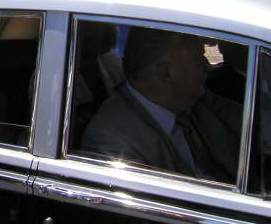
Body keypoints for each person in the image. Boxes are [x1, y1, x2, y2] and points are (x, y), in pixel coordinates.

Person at [81, 27, 241, 182]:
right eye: (198, 62)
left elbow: (250, 122)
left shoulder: (195, 100)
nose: (207, 68)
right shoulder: (112, 141)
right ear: (165, 73)